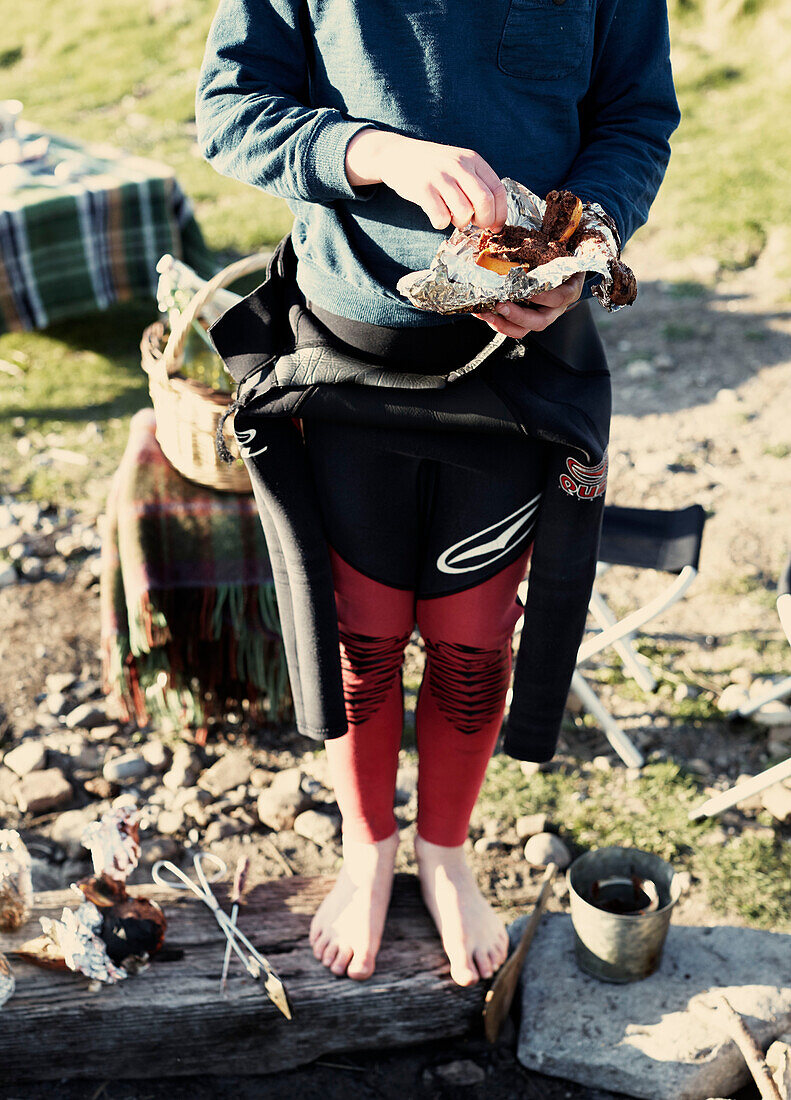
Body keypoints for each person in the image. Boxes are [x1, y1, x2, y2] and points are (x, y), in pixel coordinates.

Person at [196, 0, 680, 987]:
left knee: (470, 637)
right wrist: (374, 152)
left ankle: (444, 848)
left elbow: (635, 116)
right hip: (344, 358)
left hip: (515, 370)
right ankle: (368, 846)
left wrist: (580, 236)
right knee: (360, 633)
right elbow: (230, 107)